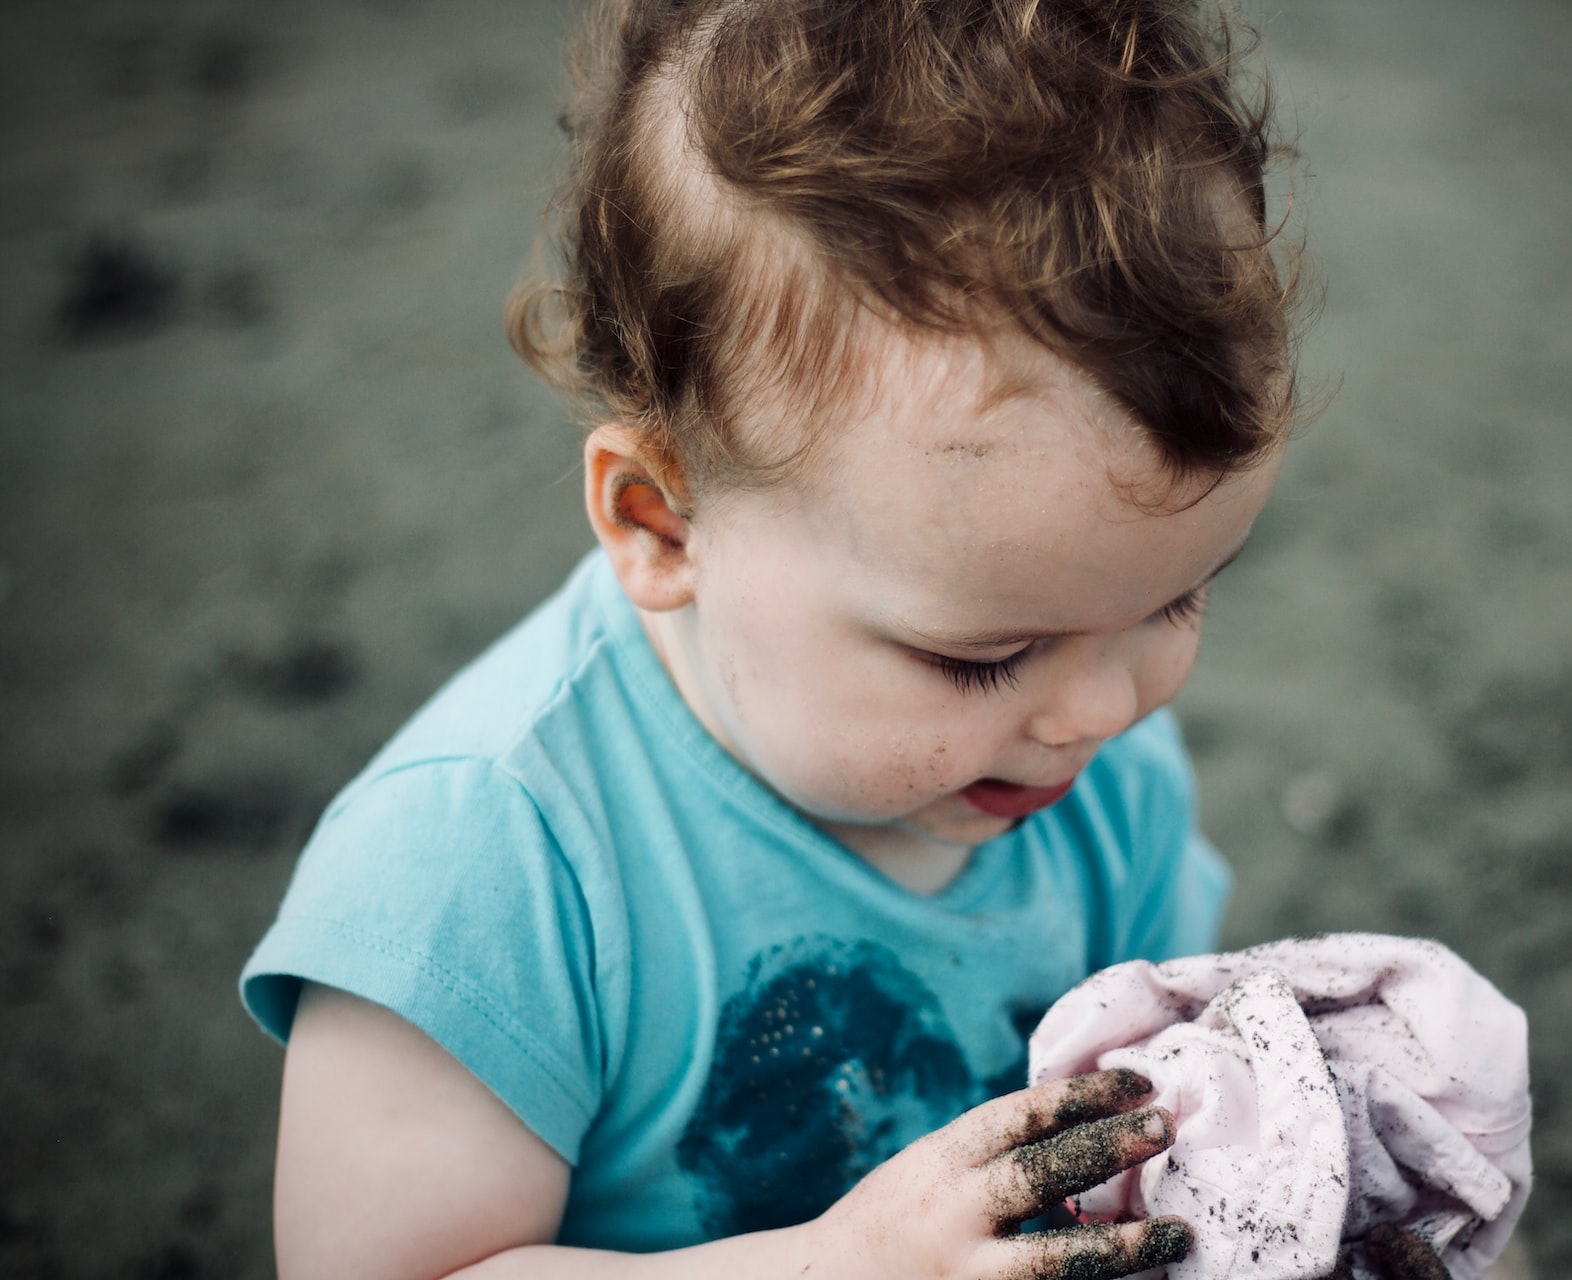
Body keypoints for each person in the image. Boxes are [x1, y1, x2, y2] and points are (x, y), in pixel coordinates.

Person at [242, 1, 1305, 1276]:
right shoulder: (482, 861)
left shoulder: (1094, 771)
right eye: (982, 655)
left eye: (1174, 600)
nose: (1099, 706)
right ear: (662, 522)